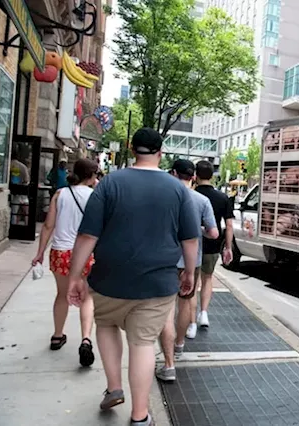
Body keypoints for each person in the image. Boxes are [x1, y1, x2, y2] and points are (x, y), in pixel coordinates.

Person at [66, 128, 201, 426]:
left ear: (131, 149)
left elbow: (88, 234)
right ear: (160, 153)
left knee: (106, 325)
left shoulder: (110, 183)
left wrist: (76, 275)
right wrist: (189, 272)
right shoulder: (178, 189)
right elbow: (190, 239)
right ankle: (140, 416)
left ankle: (114, 386)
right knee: (142, 344)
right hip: (157, 283)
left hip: (109, 278)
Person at [32, 158, 99, 366]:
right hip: (86, 253)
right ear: (91, 176)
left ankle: (57, 335)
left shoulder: (60, 194)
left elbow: (48, 226)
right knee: (86, 297)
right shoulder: (95, 196)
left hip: (61, 252)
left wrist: (40, 252)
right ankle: (86, 339)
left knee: (62, 295)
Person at [156, 160, 218, 382]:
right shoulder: (202, 200)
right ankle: (180, 344)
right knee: (184, 303)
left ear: (173, 173)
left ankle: (168, 362)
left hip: (165, 260)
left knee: (165, 308)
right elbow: (213, 233)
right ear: (193, 177)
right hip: (192, 261)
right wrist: (196, 228)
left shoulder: (163, 197)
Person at [189, 160, 234, 330]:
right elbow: (228, 225)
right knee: (208, 278)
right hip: (213, 245)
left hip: (193, 243)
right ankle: (204, 313)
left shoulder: (190, 195)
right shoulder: (223, 198)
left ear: (196, 175)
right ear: (212, 176)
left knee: (192, 283)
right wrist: (228, 247)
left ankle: (191, 322)